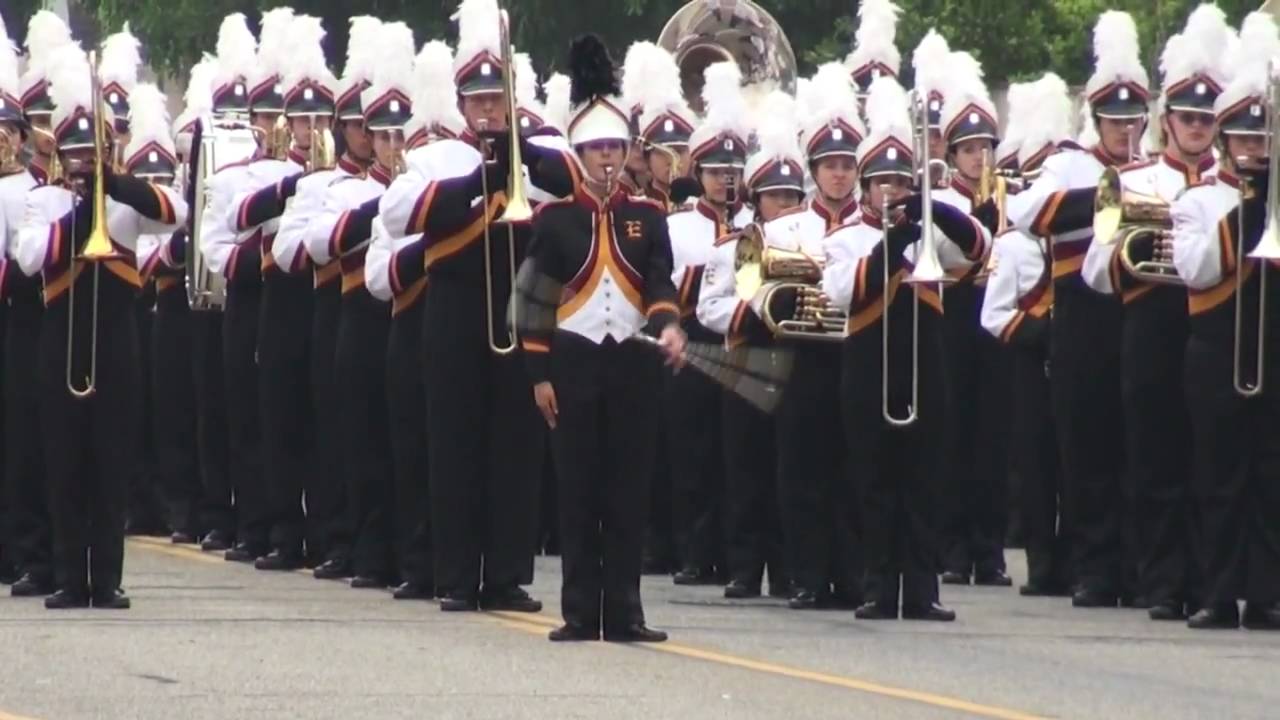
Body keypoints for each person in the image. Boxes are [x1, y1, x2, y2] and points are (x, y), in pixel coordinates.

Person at [377, 0, 578, 612]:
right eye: (479, 101)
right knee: (454, 442)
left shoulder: (539, 150)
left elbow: (577, 185)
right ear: (462, 105)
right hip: (456, 309)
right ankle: (457, 576)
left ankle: (507, 576)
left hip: (522, 306)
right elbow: (395, 214)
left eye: (498, 99)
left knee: (516, 445)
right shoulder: (435, 156)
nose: (488, 110)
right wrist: (475, 185)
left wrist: (522, 153)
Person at [522, 34, 684, 642]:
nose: (607, 158)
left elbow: (660, 278)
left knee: (628, 492)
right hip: (573, 364)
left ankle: (625, 612)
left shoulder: (649, 215)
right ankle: (578, 611)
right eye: (596, 149)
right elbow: (533, 302)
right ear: (580, 155)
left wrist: (669, 324)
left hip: (631, 368)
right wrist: (538, 375)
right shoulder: (554, 218)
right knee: (576, 491)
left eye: (615, 147)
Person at [16, 46, 186, 609]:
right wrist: (80, 213)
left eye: (94, 155)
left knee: (112, 461)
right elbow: (29, 257)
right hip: (59, 342)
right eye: (77, 155)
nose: (84, 163)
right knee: (64, 462)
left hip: (117, 342)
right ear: (61, 155)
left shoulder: (122, 201)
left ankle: (107, 579)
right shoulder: (43, 202)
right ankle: (70, 578)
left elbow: (175, 213)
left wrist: (114, 185)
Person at [1081, 4, 1229, 621]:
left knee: (1211, 461)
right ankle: (1163, 582)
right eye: (1187, 116)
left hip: (1214, 325)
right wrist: (1137, 252)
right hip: (1152, 324)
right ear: (1166, 120)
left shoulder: (1235, 185)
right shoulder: (1133, 180)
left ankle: (1212, 582)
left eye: (1206, 118)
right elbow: (1094, 272)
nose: (1196, 127)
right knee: (1154, 458)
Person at [823, 75, 987, 621]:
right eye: (882, 183)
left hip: (925, 366)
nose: (891, 191)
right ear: (865, 187)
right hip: (867, 370)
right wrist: (894, 243)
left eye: (899, 181)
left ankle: (922, 590)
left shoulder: (928, 231)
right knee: (872, 481)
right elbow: (845, 290)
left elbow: (978, 249)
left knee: (924, 479)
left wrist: (936, 211)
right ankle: (876, 587)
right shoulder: (843, 238)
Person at [1009, 10, 1148, 609]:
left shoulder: (1156, 167)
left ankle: (1137, 568)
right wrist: (1108, 197)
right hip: (1082, 315)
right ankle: (1093, 568)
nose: (1125, 130)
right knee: (1085, 445)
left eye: (1133, 119)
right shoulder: (1069, 162)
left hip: (1141, 310)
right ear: (1096, 118)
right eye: (1115, 120)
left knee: (1136, 445)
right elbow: (1026, 214)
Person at [1171, 10, 1280, 631]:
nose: (1254, 151)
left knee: (1271, 476)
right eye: (1243, 140)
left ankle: (1266, 594)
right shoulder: (1196, 200)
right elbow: (1197, 268)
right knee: (1216, 478)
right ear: (1223, 144)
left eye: (1263, 141)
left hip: (1273, 348)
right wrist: (1249, 209)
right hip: (1216, 352)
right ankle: (1215, 593)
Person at [304, 24, 415, 589]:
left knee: (408, 443)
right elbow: (317, 245)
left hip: (411, 319)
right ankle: (366, 552)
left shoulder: (423, 184)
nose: (391, 145)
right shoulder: (339, 189)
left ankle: (411, 554)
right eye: (382, 134)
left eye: (400, 134)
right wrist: (383, 205)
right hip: (361, 319)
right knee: (363, 440)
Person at [695, 88, 805, 600]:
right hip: (743, 359)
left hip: (794, 360)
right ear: (756, 199)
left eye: (792, 196)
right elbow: (708, 308)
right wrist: (756, 306)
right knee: (743, 465)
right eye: (775, 196)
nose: (785, 205)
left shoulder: (812, 244)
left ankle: (785, 568)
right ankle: (743, 568)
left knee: (789, 467)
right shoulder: (730, 247)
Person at [764, 62, 864, 610]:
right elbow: (756, 294)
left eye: (847, 165)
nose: (839, 176)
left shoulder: (873, 229)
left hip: (853, 354)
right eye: (830, 166)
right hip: (800, 358)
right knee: (800, 468)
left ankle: (850, 575)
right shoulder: (783, 229)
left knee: (851, 467)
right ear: (814, 170)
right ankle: (805, 575)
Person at [226, 9, 319, 572]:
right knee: (277, 419)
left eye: (318, 118)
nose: (308, 128)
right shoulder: (259, 171)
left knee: (320, 421)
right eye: (298, 118)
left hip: (324, 296)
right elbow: (239, 217)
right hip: (278, 299)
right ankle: (282, 531)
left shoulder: (347, 172)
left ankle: (326, 532)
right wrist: (293, 184)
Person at [665, 61, 754, 587]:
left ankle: (739, 556)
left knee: (739, 457)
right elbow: (665, 286)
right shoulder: (677, 226)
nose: (726, 178)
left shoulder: (756, 225)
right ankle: (696, 552)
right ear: (698, 173)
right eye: (717, 170)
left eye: (734, 170)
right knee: (694, 451)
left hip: (742, 341)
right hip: (695, 341)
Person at [988, 72, 1077, 597]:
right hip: (1030, 364)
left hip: (1073, 359)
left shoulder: (1080, 238)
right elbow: (994, 315)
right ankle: (1043, 563)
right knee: (1037, 466)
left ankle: (1078, 559)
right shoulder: (1015, 243)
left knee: (1075, 463)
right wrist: (1041, 329)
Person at [933, 52, 1013, 587]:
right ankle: (954, 546)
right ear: (952, 153)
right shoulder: (939, 198)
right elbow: (941, 257)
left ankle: (990, 549)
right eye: (969, 149)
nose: (979, 158)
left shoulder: (1010, 196)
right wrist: (976, 231)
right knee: (953, 430)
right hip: (955, 311)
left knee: (993, 435)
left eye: (986, 147)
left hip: (994, 314)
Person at [197, 12, 274, 563]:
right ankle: (251, 524)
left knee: (290, 420)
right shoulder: (229, 178)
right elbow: (213, 250)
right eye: (267, 115)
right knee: (245, 415)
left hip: (296, 301)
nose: (280, 125)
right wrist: (261, 256)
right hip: (248, 300)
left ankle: (294, 528)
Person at [0, 10, 71, 597]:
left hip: (32, 321)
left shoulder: (41, 190)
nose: (5, 139)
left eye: (11, 130)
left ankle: (31, 552)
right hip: (15, 316)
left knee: (30, 442)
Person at [128, 83, 203, 545]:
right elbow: (144, 261)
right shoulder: (137, 209)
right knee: (149, 415)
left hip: (182, 314)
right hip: (143, 313)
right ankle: (151, 503)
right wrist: (179, 245)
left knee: (183, 412)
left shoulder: (185, 201)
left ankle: (186, 507)